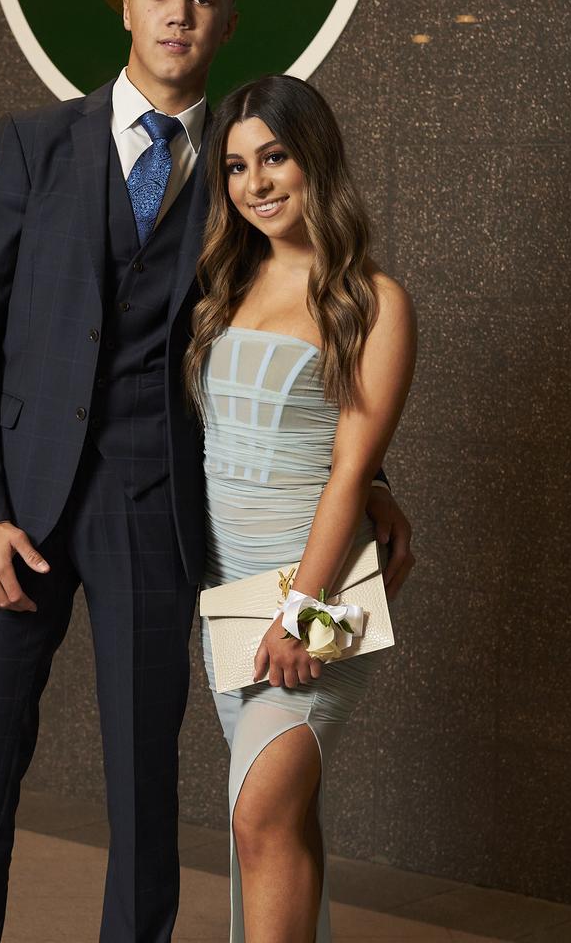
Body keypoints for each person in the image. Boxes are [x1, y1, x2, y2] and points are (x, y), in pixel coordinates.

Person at [0, 0, 415, 940]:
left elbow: (309, 338)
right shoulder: (33, 144)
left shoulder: (241, 178)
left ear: (227, 22)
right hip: (16, 507)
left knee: (146, 795)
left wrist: (368, 479)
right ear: (127, 7)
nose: (178, 14)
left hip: (157, 512)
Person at [184, 74, 417, 942]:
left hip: (326, 598)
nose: (258, 183)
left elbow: (350, 471)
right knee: (281, 820)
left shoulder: (374, 301)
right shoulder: (221, 285)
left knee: (256, 816)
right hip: (229, 594)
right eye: (238, 166)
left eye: (275, 156)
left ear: (314, 156)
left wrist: (302, 611)